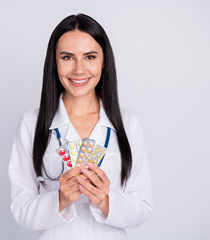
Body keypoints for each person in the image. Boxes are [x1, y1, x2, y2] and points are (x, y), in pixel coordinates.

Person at [9, 13, 153, 240]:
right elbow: (21, 210)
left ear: (104, 61)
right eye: (67, 57)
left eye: (90, 57)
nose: (78, 70)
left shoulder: (128, 124)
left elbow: (142, 208)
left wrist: (106, 201)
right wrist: (60, 199)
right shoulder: (31, 124)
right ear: (54, 62)